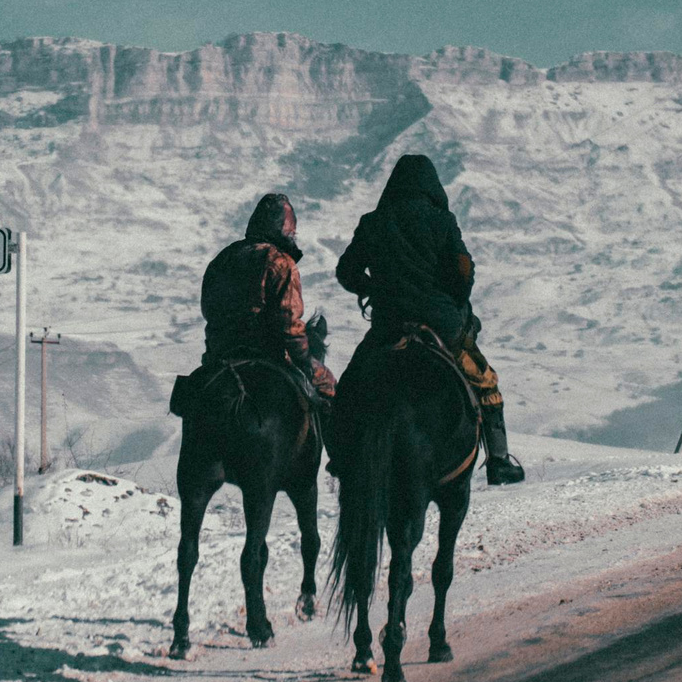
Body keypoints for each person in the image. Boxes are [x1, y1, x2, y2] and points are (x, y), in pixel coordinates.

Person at [335, 153, 524, 485]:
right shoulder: (442, 221)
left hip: (388, 324)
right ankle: (498, 461)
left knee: (351, 384)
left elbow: (346, 271)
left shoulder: (373, 222)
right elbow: (463, 270)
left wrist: (373, 288)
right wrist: (453, 297)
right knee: (485, 381)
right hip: (441, 325)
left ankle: (341, 455)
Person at [198, 192, 336, 404]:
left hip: (218, 356)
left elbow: (209, 311)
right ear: (284, 228)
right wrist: (310, 364)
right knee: (329, 395)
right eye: (292, 232)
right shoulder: (280, 262)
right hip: (266, 356)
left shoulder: (223, 258)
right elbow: (289, 325)